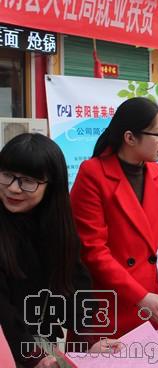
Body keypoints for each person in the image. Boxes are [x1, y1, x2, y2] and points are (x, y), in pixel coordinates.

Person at [70, 97, 158, 338]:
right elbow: (93, 251)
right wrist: (139, 296)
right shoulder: (92, 174)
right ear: (130, 138)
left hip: (150, 299)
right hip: (110, 303)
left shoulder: (157, 173)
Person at [0, 134, 121, 367]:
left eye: (27, 181)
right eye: (6, 175)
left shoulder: (58, 226)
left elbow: (74, 286)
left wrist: (89, 342)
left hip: (37, 343)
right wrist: (34, 356)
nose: (14, 188)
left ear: (51, 185)